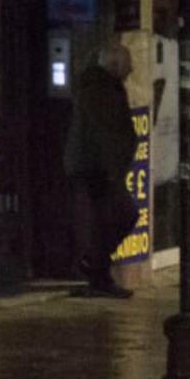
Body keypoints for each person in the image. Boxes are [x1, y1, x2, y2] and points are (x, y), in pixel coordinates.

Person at [65, 41, 139, 299]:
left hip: (101, 169)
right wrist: (111, 171)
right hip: (98, 169)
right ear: (115, 65)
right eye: (128, 63)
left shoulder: (106, 87)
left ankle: (97, 270)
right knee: (123, 214)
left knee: (107, 219)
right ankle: (95, 268)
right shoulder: (99, 90)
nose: (132, 69)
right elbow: (103, 134)